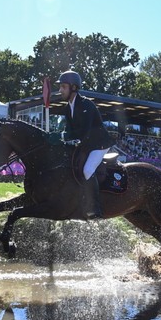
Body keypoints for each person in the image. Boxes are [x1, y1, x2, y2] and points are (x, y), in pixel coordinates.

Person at [56, 70, 115, 219]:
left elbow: (84, 132)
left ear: (73, 88)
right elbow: (69, 130)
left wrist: (63, 136)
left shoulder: (86, 105)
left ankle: (95, 210)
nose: (60, 90)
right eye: (60, 87)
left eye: (63, 87)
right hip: (86, 144)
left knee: (87, 170)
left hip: (99, 144)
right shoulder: (68, 108)